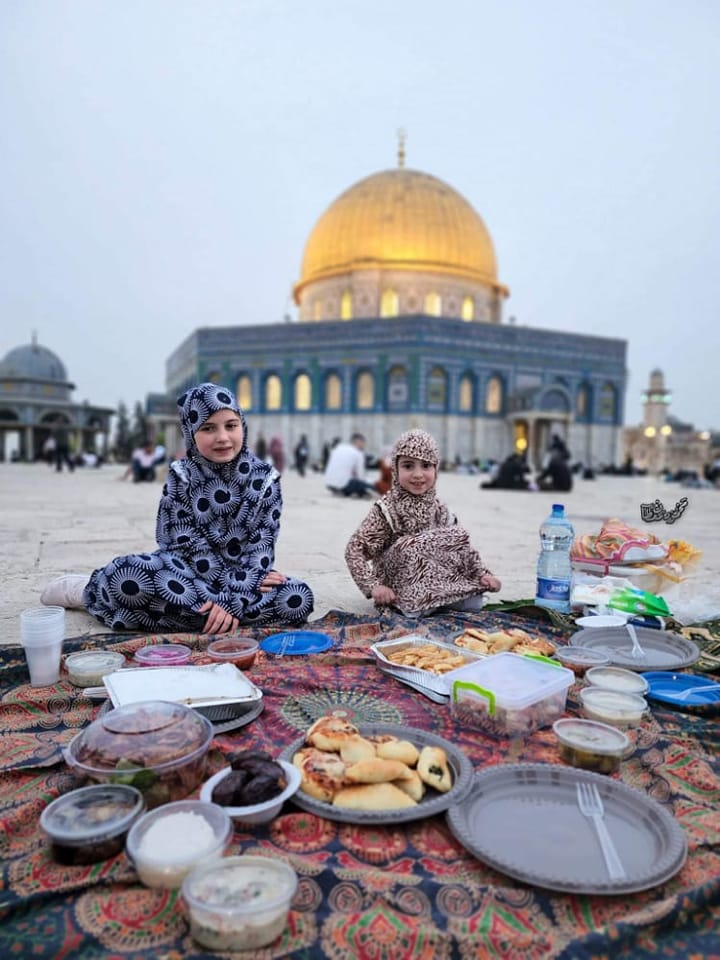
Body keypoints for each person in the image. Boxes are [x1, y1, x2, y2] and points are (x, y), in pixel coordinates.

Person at [40, 383, 314, 632]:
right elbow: (185, 544)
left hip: (241, 581)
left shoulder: (265, 478)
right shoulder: (183, 475)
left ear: (242, 425)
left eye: (231, 425)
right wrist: (226, 597)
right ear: (190, 433)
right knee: (126, 574)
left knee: (297, 597)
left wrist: (236, 596)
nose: (222, 437)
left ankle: (187, 618)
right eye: (208, 428)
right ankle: (89, 591)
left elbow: (261, 545)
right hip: (188, 574)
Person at [345, 429, 501, 617]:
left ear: (436, 470)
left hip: (435, 580)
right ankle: (416, 603)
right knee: (411, 545)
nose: (418, 474)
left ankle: (441, 597)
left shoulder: (440, 509)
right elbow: (354, 549)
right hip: (399, 585)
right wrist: (374, 587)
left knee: (457, 535)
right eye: (408, 466)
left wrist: (483, 574)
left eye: (426, 466)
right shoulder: (387, 509)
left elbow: (464, 547)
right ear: (395, 469)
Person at [324, 433, 375, 497]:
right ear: (358, 442)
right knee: (368, 485)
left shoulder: (339, 447)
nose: (364, 445)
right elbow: (360, 475)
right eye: (363, 443)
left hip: (329, 484)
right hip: (343, 485)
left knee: (350, 480)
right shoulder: (358, 453)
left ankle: (341, 491)